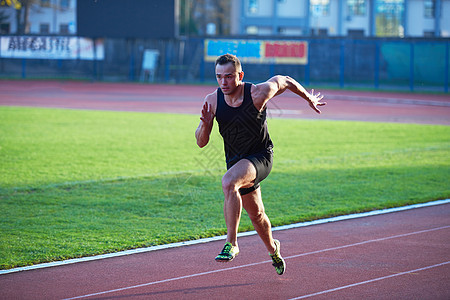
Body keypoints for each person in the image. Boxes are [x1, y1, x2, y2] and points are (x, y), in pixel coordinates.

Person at [195, 53, 325, 275]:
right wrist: (206, 125)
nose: (223, 82)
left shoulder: (257, 93)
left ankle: (232, 243)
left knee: (229, 182)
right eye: (219, 77)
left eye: (228, 77)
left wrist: (308, 98)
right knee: (256, 215)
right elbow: (201, 142)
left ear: (240, 75)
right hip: (236, 161)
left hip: (261, 156)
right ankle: (273, 249)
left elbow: (284, 80)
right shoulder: (212, 100)